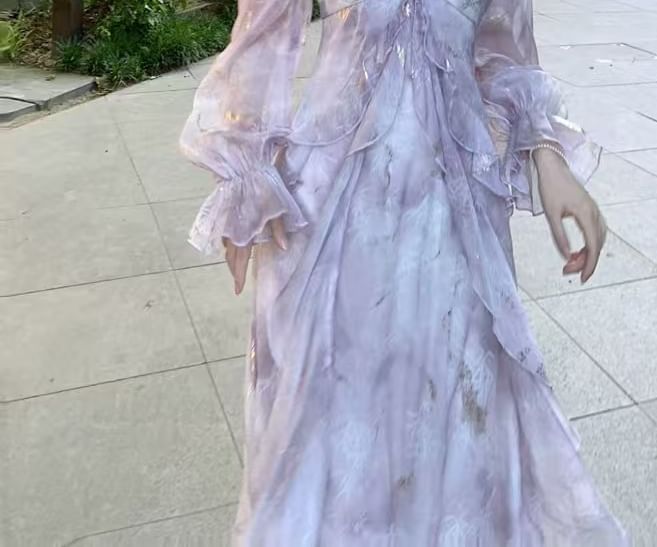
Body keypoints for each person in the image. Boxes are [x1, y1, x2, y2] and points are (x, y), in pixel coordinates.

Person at [180, 0, 629, 544]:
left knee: (457, 429)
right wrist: (244, 173)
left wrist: (548, 156)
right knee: (333, 448)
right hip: (331, 219)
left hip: (458, 223)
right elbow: (266, 31)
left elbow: (506, 51)